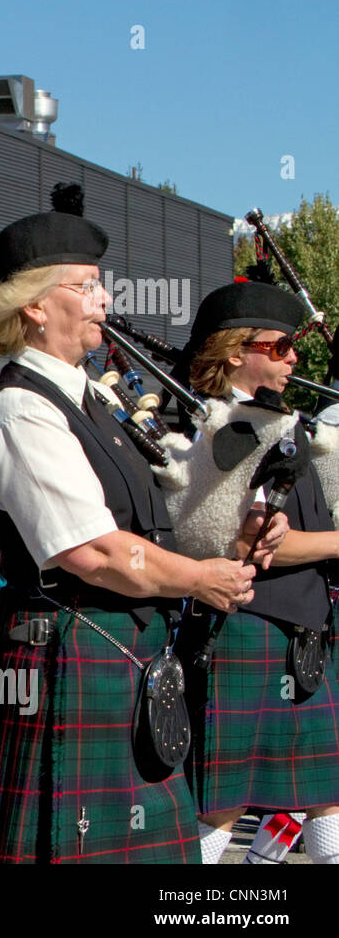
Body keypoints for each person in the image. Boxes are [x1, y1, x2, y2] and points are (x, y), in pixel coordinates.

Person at [0, 190, 277, 863]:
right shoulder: (20, 411)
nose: (104, 301)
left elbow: (151, 519)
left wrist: (231, 534)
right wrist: (201, 580)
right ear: (36, 307)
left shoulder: (94, 397)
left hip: (117, 653)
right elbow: (92, 551)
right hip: (62, 657)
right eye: (88, 287)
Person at [175, 280, 339, 865]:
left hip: (301, 630)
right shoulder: (226, 431)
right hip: (249, 628)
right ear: (234, 350)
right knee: (224, 804)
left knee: (322, 798)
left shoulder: (287, 425)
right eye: (279, 346)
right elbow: (266, 548)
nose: (294, 356)